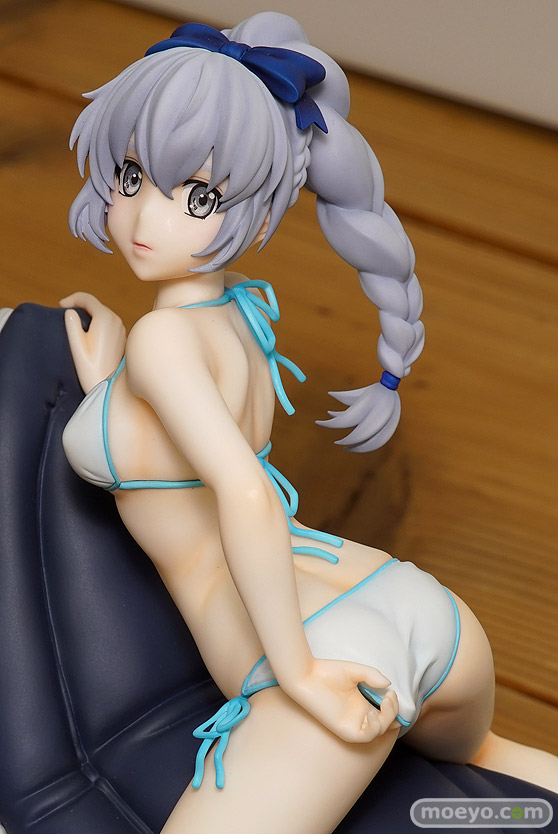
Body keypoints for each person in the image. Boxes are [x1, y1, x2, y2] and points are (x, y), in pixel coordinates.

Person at [60, 12, 557, 833]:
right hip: (417, 607)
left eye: (200, 197)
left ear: (258, 215)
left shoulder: (162, 343)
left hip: (309, 644)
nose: (146, 219)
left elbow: (246, 493)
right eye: (132, 175)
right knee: (491, 764)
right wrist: (110, 385)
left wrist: (295, 674)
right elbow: (187, 426)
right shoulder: (241, 311)